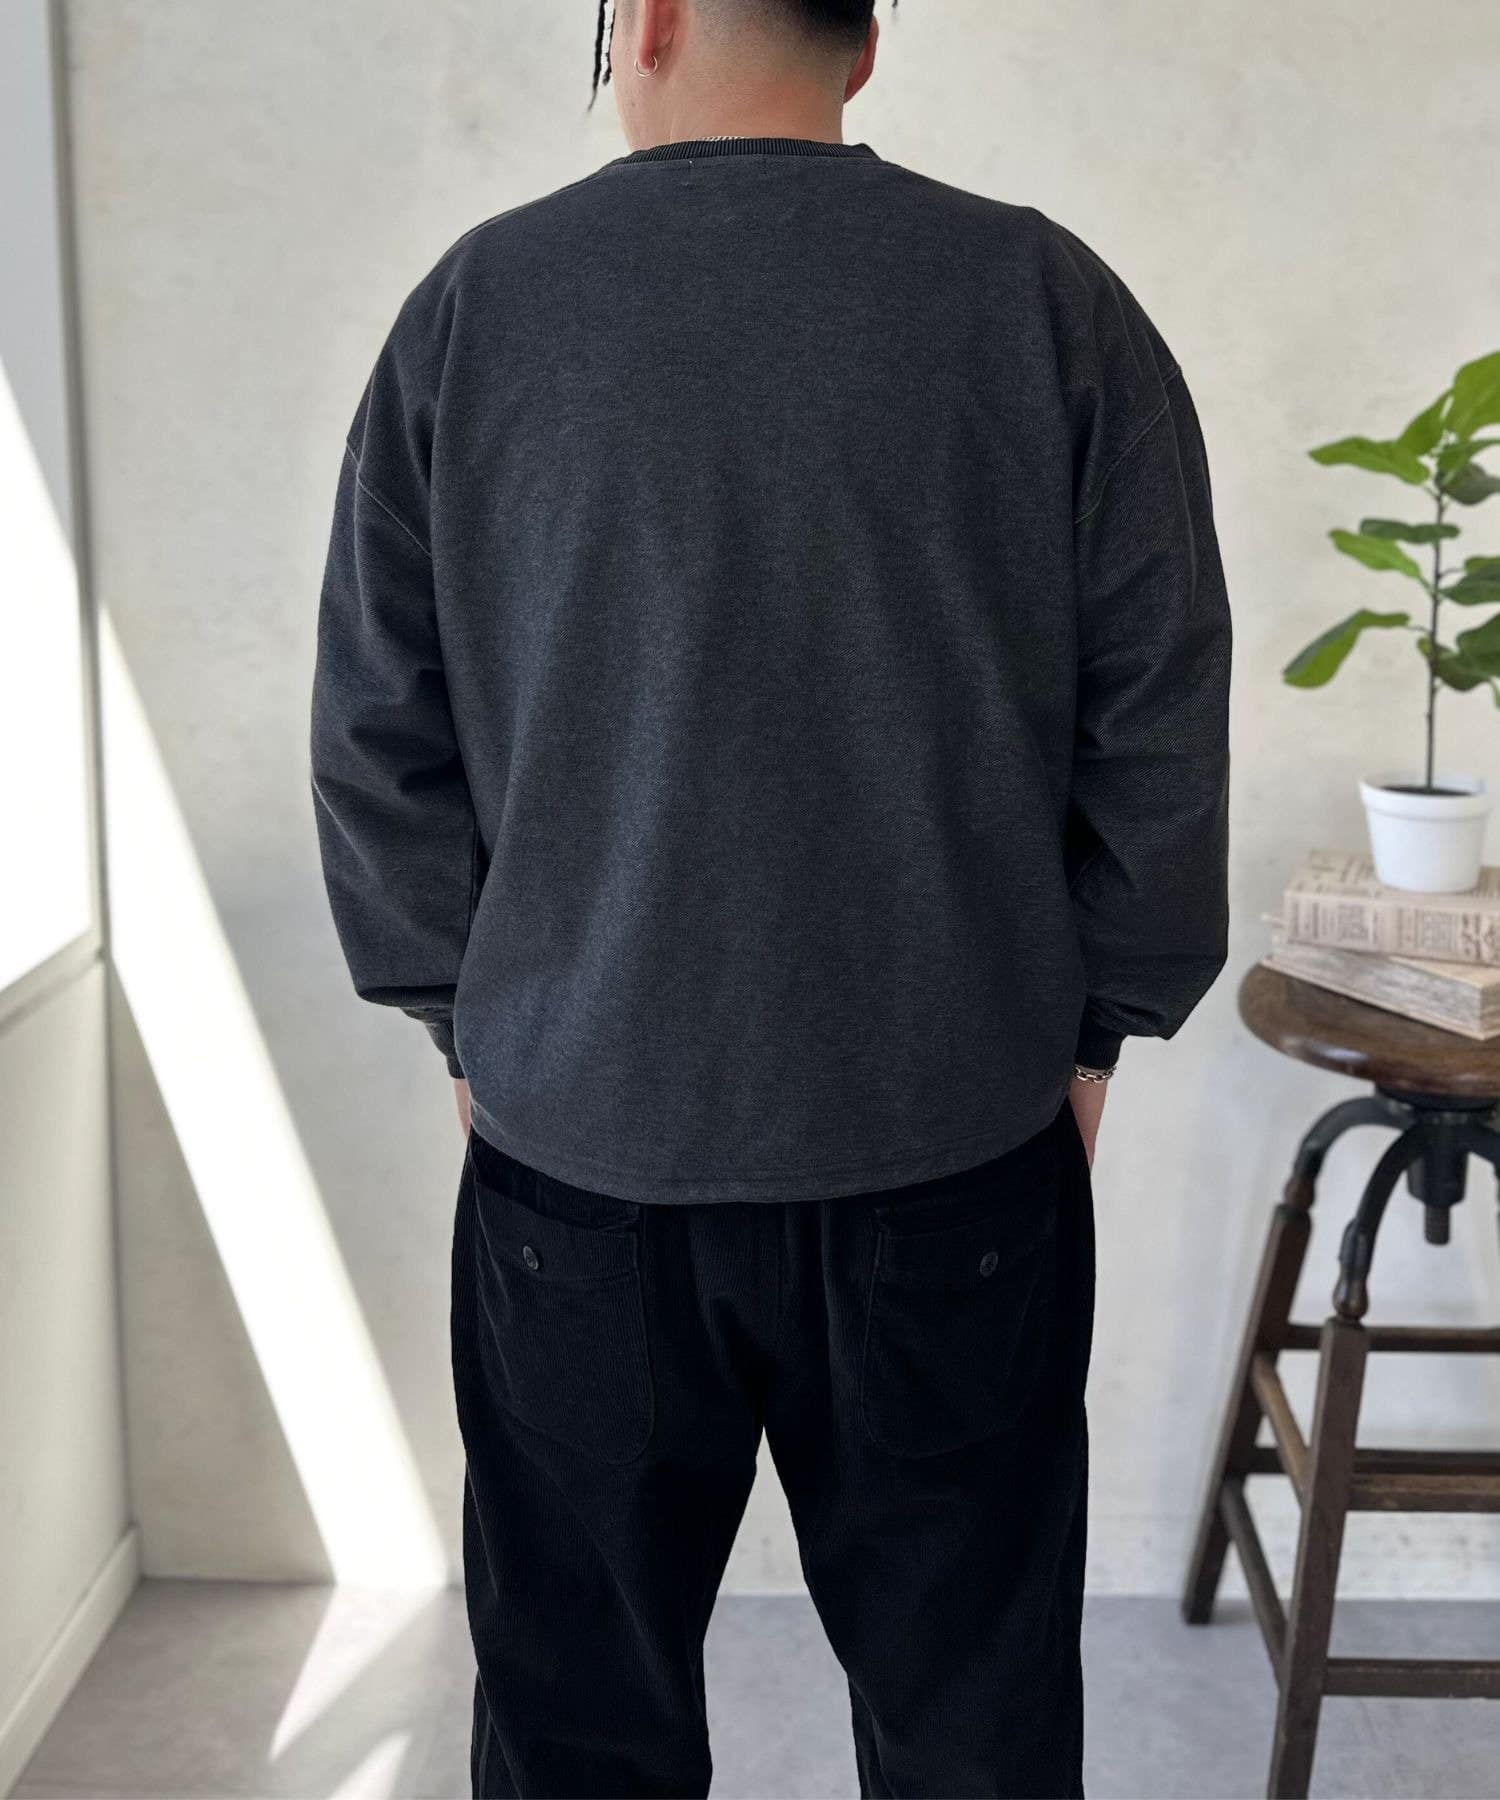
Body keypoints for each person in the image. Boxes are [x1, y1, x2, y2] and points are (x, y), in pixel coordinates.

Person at [309, 0, 1231, 1793]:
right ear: (863, 43)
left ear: (645, 20)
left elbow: (376, 726)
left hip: (581, 1158)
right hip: (955, 1145)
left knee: (580, 1730)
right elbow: (1158, 711)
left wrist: (464, 1023)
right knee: (972, 1725)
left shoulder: (478, 310)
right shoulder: (1046, 302)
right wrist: (1095, 1032)